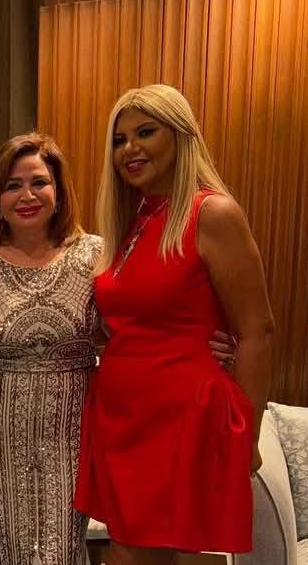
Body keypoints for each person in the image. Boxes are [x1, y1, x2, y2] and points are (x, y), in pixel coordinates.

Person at [75, 84, 275, 563]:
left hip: (181, 419)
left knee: (159, 555)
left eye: (146, 132)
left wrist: (247, 435)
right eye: (120, 140)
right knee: (126, 551)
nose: (130, 148)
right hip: (122, 416)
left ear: (181, 136)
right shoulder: (132, 220)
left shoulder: (212, 213)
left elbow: (258, 331)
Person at [0, 133, 100, 565]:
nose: (27, 196)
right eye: (13, 185)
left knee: (60, 548)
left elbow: (130, 332)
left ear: (58, 191)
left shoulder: (95, 256)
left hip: (72, 438)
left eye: (39, 182)